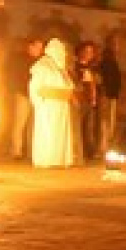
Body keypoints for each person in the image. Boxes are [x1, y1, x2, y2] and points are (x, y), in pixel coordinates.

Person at [28, 38, 77, 168]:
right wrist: (38, 104)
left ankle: (59, 159)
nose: (64, 54)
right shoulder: (42, 66)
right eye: (60, 51)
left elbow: (69, 85)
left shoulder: (61, 68)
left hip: (62, 105)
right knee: (47, 133)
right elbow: (34, 86)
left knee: (60, 133)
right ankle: (46, 160)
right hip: (48, 106)